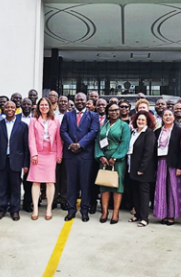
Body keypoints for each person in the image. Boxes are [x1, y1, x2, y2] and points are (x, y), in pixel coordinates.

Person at [60, 92, 100, 222]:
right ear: (74, 101)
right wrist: (71, 144)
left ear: (86, 101)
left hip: (85, 155)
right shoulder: (67, 115)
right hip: (70, 155)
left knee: (85, 184)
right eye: (77, 100)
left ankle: (84, 211)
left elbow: (94, 131)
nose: (80, 102)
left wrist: (80, 145)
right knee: (71, 184)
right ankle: (71, 211)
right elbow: (63, 131)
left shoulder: (93, 115)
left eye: (82, 100)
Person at [0, 101, 29, 221]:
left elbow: (26, 147)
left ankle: (15, 210)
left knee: (15, 187)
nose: (10, 109)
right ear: (4, 109)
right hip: (1, 160)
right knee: (2, 186)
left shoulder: (22, 126)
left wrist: (25, 164)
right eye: (7, 107)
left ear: (16, 109)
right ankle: (1, 209)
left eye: (12, 107)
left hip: (16, 161)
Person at [94, 103, 130, 224]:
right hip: (104, 158)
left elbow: (125, 142)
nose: (114, 112)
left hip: (117, 160)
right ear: (107, 112)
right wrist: (100, 156)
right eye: (111, 110)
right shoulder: (103, 127)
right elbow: (97, 142)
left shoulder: (124, 126)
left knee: (117, 185)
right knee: (104, 185)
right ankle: (104, 212)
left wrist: (115, 157)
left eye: (116, 110)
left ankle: (115, 212)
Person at [28, 98, 63, 220]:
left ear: (50, 106)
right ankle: (35, 209)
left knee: (50, 181)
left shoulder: (55, 121)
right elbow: (31, 138)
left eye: (46, 105)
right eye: (41, 105)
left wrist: (59, 154)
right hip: (38, 153)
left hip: (51, 154)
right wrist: (34, 154)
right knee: (36, 181)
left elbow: (59, 139)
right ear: (38, 107)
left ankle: (48, 208)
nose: (44, 107)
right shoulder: (33, 121)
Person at [153, 109, 181, 226]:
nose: (167, 117)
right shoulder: (157, 132)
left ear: (174, 117)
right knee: (161, 188)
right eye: (165, 115)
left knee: (173, 188)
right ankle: (163, 214)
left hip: (174, 163)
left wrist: (180, 167)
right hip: (160, 162)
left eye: (170, 115)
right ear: (162, 118)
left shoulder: (179, 131)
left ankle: (171, 215)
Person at [127, 110, 156, 227]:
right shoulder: (134, 132)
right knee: (135, 193)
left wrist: (142, 168)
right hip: (132, 167)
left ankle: (144, 218)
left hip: (143, 169)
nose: (140, 121)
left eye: (143, 120)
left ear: (147, 122)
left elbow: (148, 152)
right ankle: (137, 215)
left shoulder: (149, 133)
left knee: (144, 194)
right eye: (138, 119)